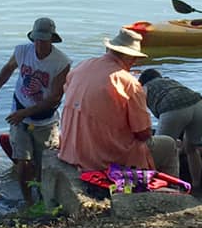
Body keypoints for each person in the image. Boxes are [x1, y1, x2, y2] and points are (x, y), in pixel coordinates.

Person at [58, 28, 179, 177]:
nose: (135, 62)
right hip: (102, 158)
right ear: (130, 57)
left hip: (70, 149)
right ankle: (172, 195)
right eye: (134, 58)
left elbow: (69, 92)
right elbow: (143, 133)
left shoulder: (82, 67)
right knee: (169, 144)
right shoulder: (128, 83)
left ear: (109, 49)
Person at [0, 17, 71, 205]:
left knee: (42, 166)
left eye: (44, 40)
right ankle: (28, 201)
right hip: (19, 113)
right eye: (37, 39)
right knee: (23, 162)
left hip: (45, 121)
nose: (40, 43)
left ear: (51, 39)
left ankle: (44, 199)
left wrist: (26, 113)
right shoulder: (22, 51)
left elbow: (54, 98)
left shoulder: (61, 63)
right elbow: (7, 69)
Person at [137, 69, 202, 188]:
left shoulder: (143, 88)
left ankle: (164, 186)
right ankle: (196, 184)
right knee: (192, 149)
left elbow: (141, 115)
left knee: (162, 151)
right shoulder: (170, 81)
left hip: (174, 109)